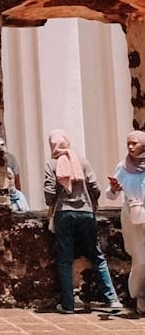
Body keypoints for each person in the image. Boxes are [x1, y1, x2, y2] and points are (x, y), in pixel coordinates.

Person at [45, 128, 121, 315]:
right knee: (97, 255)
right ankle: (112, 299)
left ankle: (68, 304)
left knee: (64, 259)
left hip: (64, 213)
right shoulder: (82, 162)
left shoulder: (52, 164)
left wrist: (53, 201)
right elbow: (95, 188)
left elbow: (48, 192)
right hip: (86, 213)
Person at [108, 130, 145, 315]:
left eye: (135, 143)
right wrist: (114, 189)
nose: (131, 147)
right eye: (128, 143)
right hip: (131, 216)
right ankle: (139, 296)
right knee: (139, 259)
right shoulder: (123, 167)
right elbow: (110, 194)